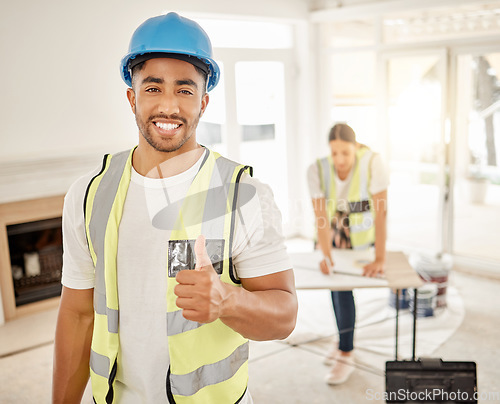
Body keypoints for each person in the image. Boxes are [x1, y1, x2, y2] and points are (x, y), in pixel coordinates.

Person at [52, 12, 297, 404]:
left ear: (204, 101)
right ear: (132, 96)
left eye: (184, 90)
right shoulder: (88, 195)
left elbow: (285, 316)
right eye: (153, 88)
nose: (168, 106)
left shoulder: (243, 194)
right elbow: (78, 315)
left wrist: (228, 301)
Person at [307, 123, 388, 385]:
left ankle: (346, 351)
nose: (340, 160)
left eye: (346, 153)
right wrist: (325, 253)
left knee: (342, 289)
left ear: (356, 147)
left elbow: (381, 212)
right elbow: (320, 216)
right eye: (335, 153)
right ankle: (344, 341)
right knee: (336, 287)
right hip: (332, 233)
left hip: (361, 238)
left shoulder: (373, 163)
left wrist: (380, 258)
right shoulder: (317, 169)